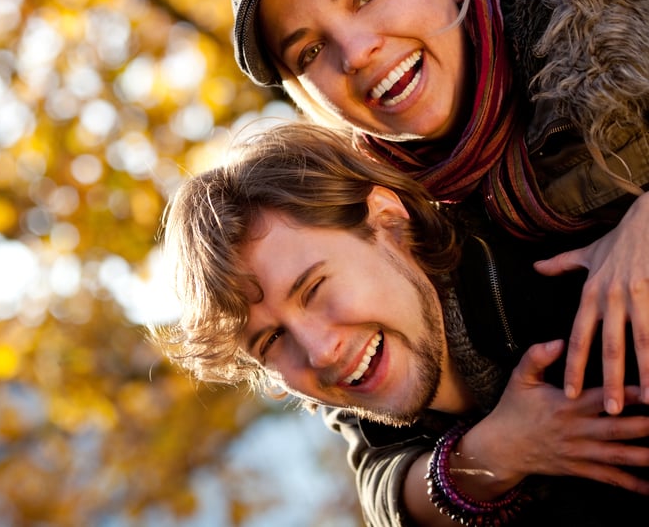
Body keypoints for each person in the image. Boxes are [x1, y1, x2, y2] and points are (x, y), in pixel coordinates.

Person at [229, 0, 649, 419]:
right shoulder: (381, 218)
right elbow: (373, 447)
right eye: (309, 51)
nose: (354, 53)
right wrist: (478, 463)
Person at [152, 120, 649, 526]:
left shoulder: (574, 281)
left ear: (389, 220)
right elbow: (380, 492)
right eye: (272, 339)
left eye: (314, 289)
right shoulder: (365, 412)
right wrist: (495, 454)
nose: (320, 352)